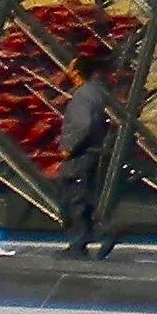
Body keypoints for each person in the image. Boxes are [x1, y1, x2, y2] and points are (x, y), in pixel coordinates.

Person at [54, 51, 116, 259]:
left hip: (79, 155)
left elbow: (83, 124)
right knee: (84, 197)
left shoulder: (83, 95)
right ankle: (92, 236)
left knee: (72, 199)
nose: (67, 71)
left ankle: (81, 242)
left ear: (77, 72)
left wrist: (68, 147)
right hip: (93, 152)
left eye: (70, 68)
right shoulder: (99, 92)